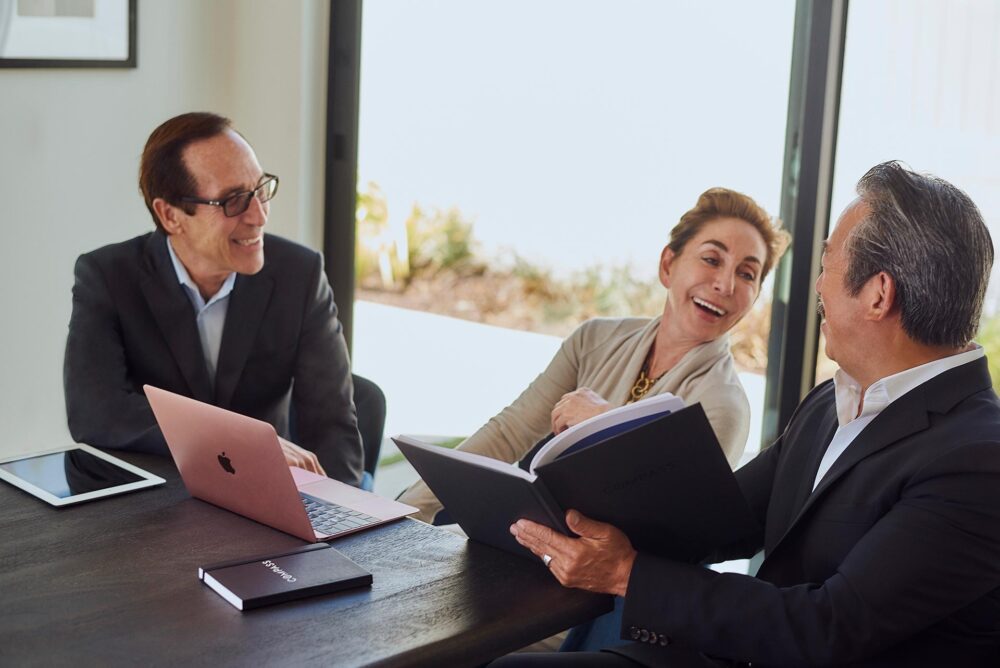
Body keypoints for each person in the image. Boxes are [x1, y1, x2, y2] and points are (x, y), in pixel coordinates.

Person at [500, 161, 1000, 667]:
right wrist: (551, 507)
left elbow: (828, 629)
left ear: (878, 294)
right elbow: (715, 518)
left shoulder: (980, 460)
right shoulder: (831, 403)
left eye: (827, 264)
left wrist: (625, 573)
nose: (819, 287)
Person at [399, 187, 789, 525]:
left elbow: (676, 519)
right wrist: (401, 512)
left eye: (747, 274)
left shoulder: (724, 405)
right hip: (532, 539)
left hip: (610, 588)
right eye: (711, 259)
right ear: (668, 265)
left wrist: (606, 423)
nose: (724, 284)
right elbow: (509, 433)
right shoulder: (595, 338)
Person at [64, 112, 364, 486]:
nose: (259, 215)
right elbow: (95, 414)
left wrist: (346, 519)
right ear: (171, 215)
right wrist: (232, 439)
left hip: (264, 496)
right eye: (233, 200)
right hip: (157, 505)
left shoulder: (299, 274)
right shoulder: (107, 276)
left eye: (260, 189)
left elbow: (331, 423)